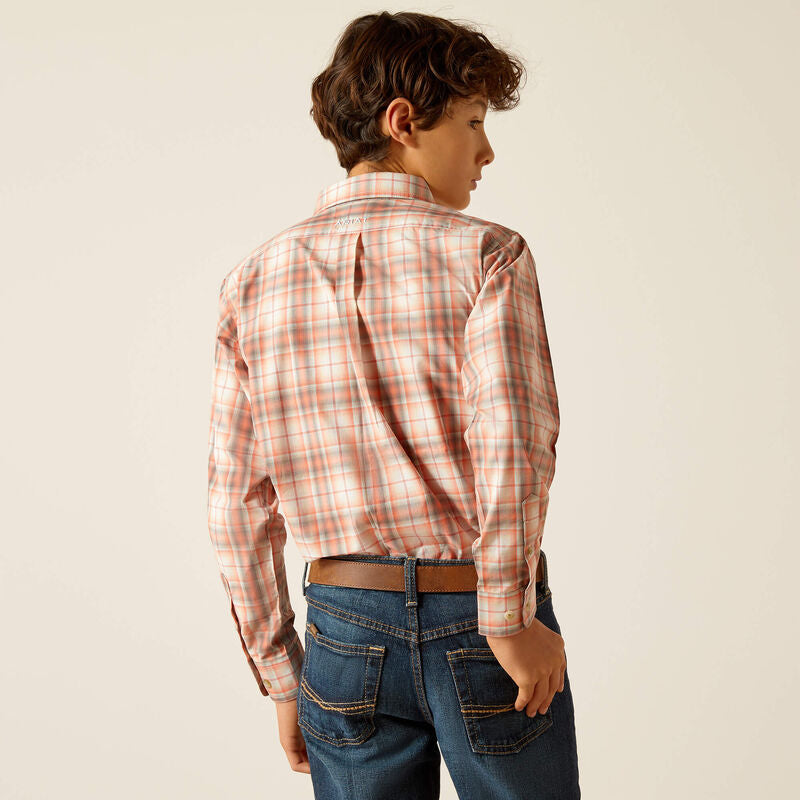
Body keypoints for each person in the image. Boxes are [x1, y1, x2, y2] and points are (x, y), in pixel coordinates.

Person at [207, 10, 580, 799]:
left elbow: (236, 503)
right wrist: (509, 618)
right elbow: (513, 445)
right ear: (403, 121)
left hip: (342, 631)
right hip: (478, 618)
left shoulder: (252, 283)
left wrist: (283, 678)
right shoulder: (488, 254)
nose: (486, 150)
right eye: (473, 121)